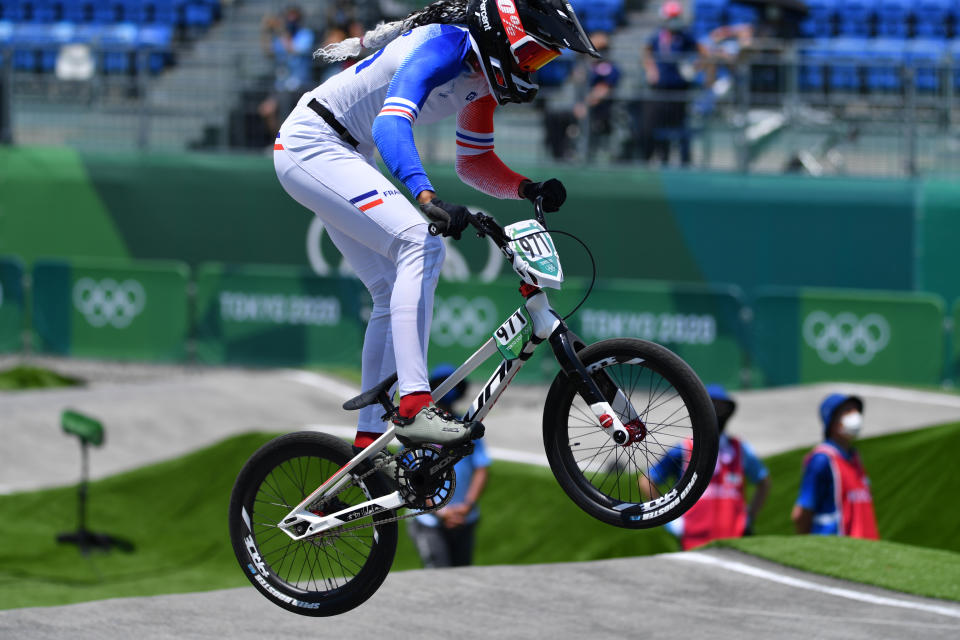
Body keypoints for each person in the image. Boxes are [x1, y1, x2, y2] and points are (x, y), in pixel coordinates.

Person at [273, 0, 599, 451]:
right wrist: (426, 198)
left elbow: (474, 162)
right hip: (313, 143)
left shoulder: (481, 76)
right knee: (421, 246)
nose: (534, 69)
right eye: (534, 55)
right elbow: (391, 125)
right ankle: (414, 406)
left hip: (345, 151)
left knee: (390, 292)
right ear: (505, 35)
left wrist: (527, 188)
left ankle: (368, 441)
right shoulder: (447, 45)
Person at [640, 385, 770, 550]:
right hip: (695, 540)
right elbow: (647, 481)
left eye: (721, 406)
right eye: (711, 404)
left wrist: (749, 517)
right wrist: (670, 520)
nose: (717, 411)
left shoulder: (739, 448)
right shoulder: (685, 448)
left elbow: (764, 481)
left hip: (735, 539)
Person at [407, 364, 491, 567]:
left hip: (464, 517)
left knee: (461, 574)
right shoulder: (421, 428)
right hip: (430, 520)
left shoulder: (465, 426)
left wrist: (465, 507)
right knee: (438, 573)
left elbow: (481, 469)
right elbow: (414, 478)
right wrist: (440, 511)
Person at [792, 394, 879, 539]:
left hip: (863, 548)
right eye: (846, 411)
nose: (854, 415)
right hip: (833, 546)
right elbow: (801, 513)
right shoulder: (822, 459)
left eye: (855, 410)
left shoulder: (855, 458)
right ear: (831, 421)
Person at [640, 1, 707, 166]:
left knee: (681, 128)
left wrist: (695, 67)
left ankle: (685, 161)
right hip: (660, 89)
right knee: (658, 127)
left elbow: (703, 52)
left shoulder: (685, 35)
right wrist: (651, 70)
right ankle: (660, 158)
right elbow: (646, 52)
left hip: (679, 89)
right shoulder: (658, 36)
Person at [259, 6, 316, 138]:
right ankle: (279, 143)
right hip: (282, 85)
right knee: (267, 110)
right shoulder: (281, 36)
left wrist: (281, 31)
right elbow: (268, 52)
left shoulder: (305, 34)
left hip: (300, 85)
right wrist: (265, 32)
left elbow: (293, 50)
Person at [572, 31, 620, 160]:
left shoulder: (609, 68)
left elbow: (601, 91)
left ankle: (587, 155)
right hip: (582, 106)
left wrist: (584, 105)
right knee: (556, 118)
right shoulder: (584, 67)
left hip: (600, 110)